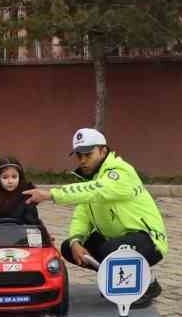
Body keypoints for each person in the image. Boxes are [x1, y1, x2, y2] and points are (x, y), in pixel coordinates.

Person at [24, 128, 168, 305]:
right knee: (69, 248)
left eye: (88, 154)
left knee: (110, 251)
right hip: (116, 239)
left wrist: (50, 194)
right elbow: (82, 214)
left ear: (103, 150)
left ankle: (147, 284)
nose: (83, 160)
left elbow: (96, 190)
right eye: (79, 155)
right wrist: (75, 241)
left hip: (149, 240)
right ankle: (117, 278)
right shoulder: (90, 178)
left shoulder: (120, 172)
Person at [0, 156, 45, 230]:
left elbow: (32, 221)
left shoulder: (26, 195)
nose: (10, 181)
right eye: (5, 177)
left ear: (20, 177)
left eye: (14, 177)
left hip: (21, 234)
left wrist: (28, 226)